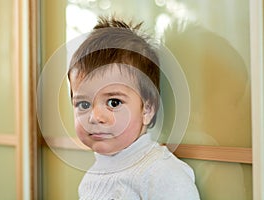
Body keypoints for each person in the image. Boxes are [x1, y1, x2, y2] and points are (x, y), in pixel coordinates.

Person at [68, 16, 200, 200]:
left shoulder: (161, 172)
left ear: (147, 110)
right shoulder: (93, 176)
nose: (95, 117)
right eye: (84, 104)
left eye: (114, 102)